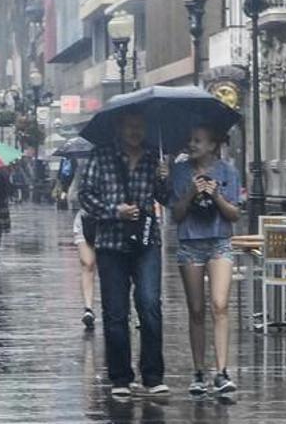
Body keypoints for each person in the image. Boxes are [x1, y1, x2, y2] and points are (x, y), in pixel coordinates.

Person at [79, 108, 170, 397]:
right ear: (119, 128)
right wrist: (114, 211)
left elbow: (165, 198)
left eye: (139, 126)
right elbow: (85, 196)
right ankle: (120, 377)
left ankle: (153, 376)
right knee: (116, 312)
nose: (135, 132)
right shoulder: (101, 156)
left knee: (150, 305)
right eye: (130, 126)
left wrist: (164, 178)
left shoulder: (154, 158)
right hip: (111, 243)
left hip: (146, 242)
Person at [170, 125, 242, 395]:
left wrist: (216, 195)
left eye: (198, 140)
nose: (192, 144)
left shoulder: (227, 172)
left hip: (219, 242)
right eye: (190, 139)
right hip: (190, 243)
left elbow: (234, 214)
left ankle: (222, 371)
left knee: (220, 305)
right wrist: (190, 193)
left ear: (212, 145)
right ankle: (199, 371)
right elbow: (176, 215)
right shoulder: (180, 172)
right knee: (197, 309)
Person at [69, 159, 97, 330]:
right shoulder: (83, 166)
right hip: (86, 220)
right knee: (87, 263)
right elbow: (73, 194)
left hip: (114, 221)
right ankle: (88, 308)